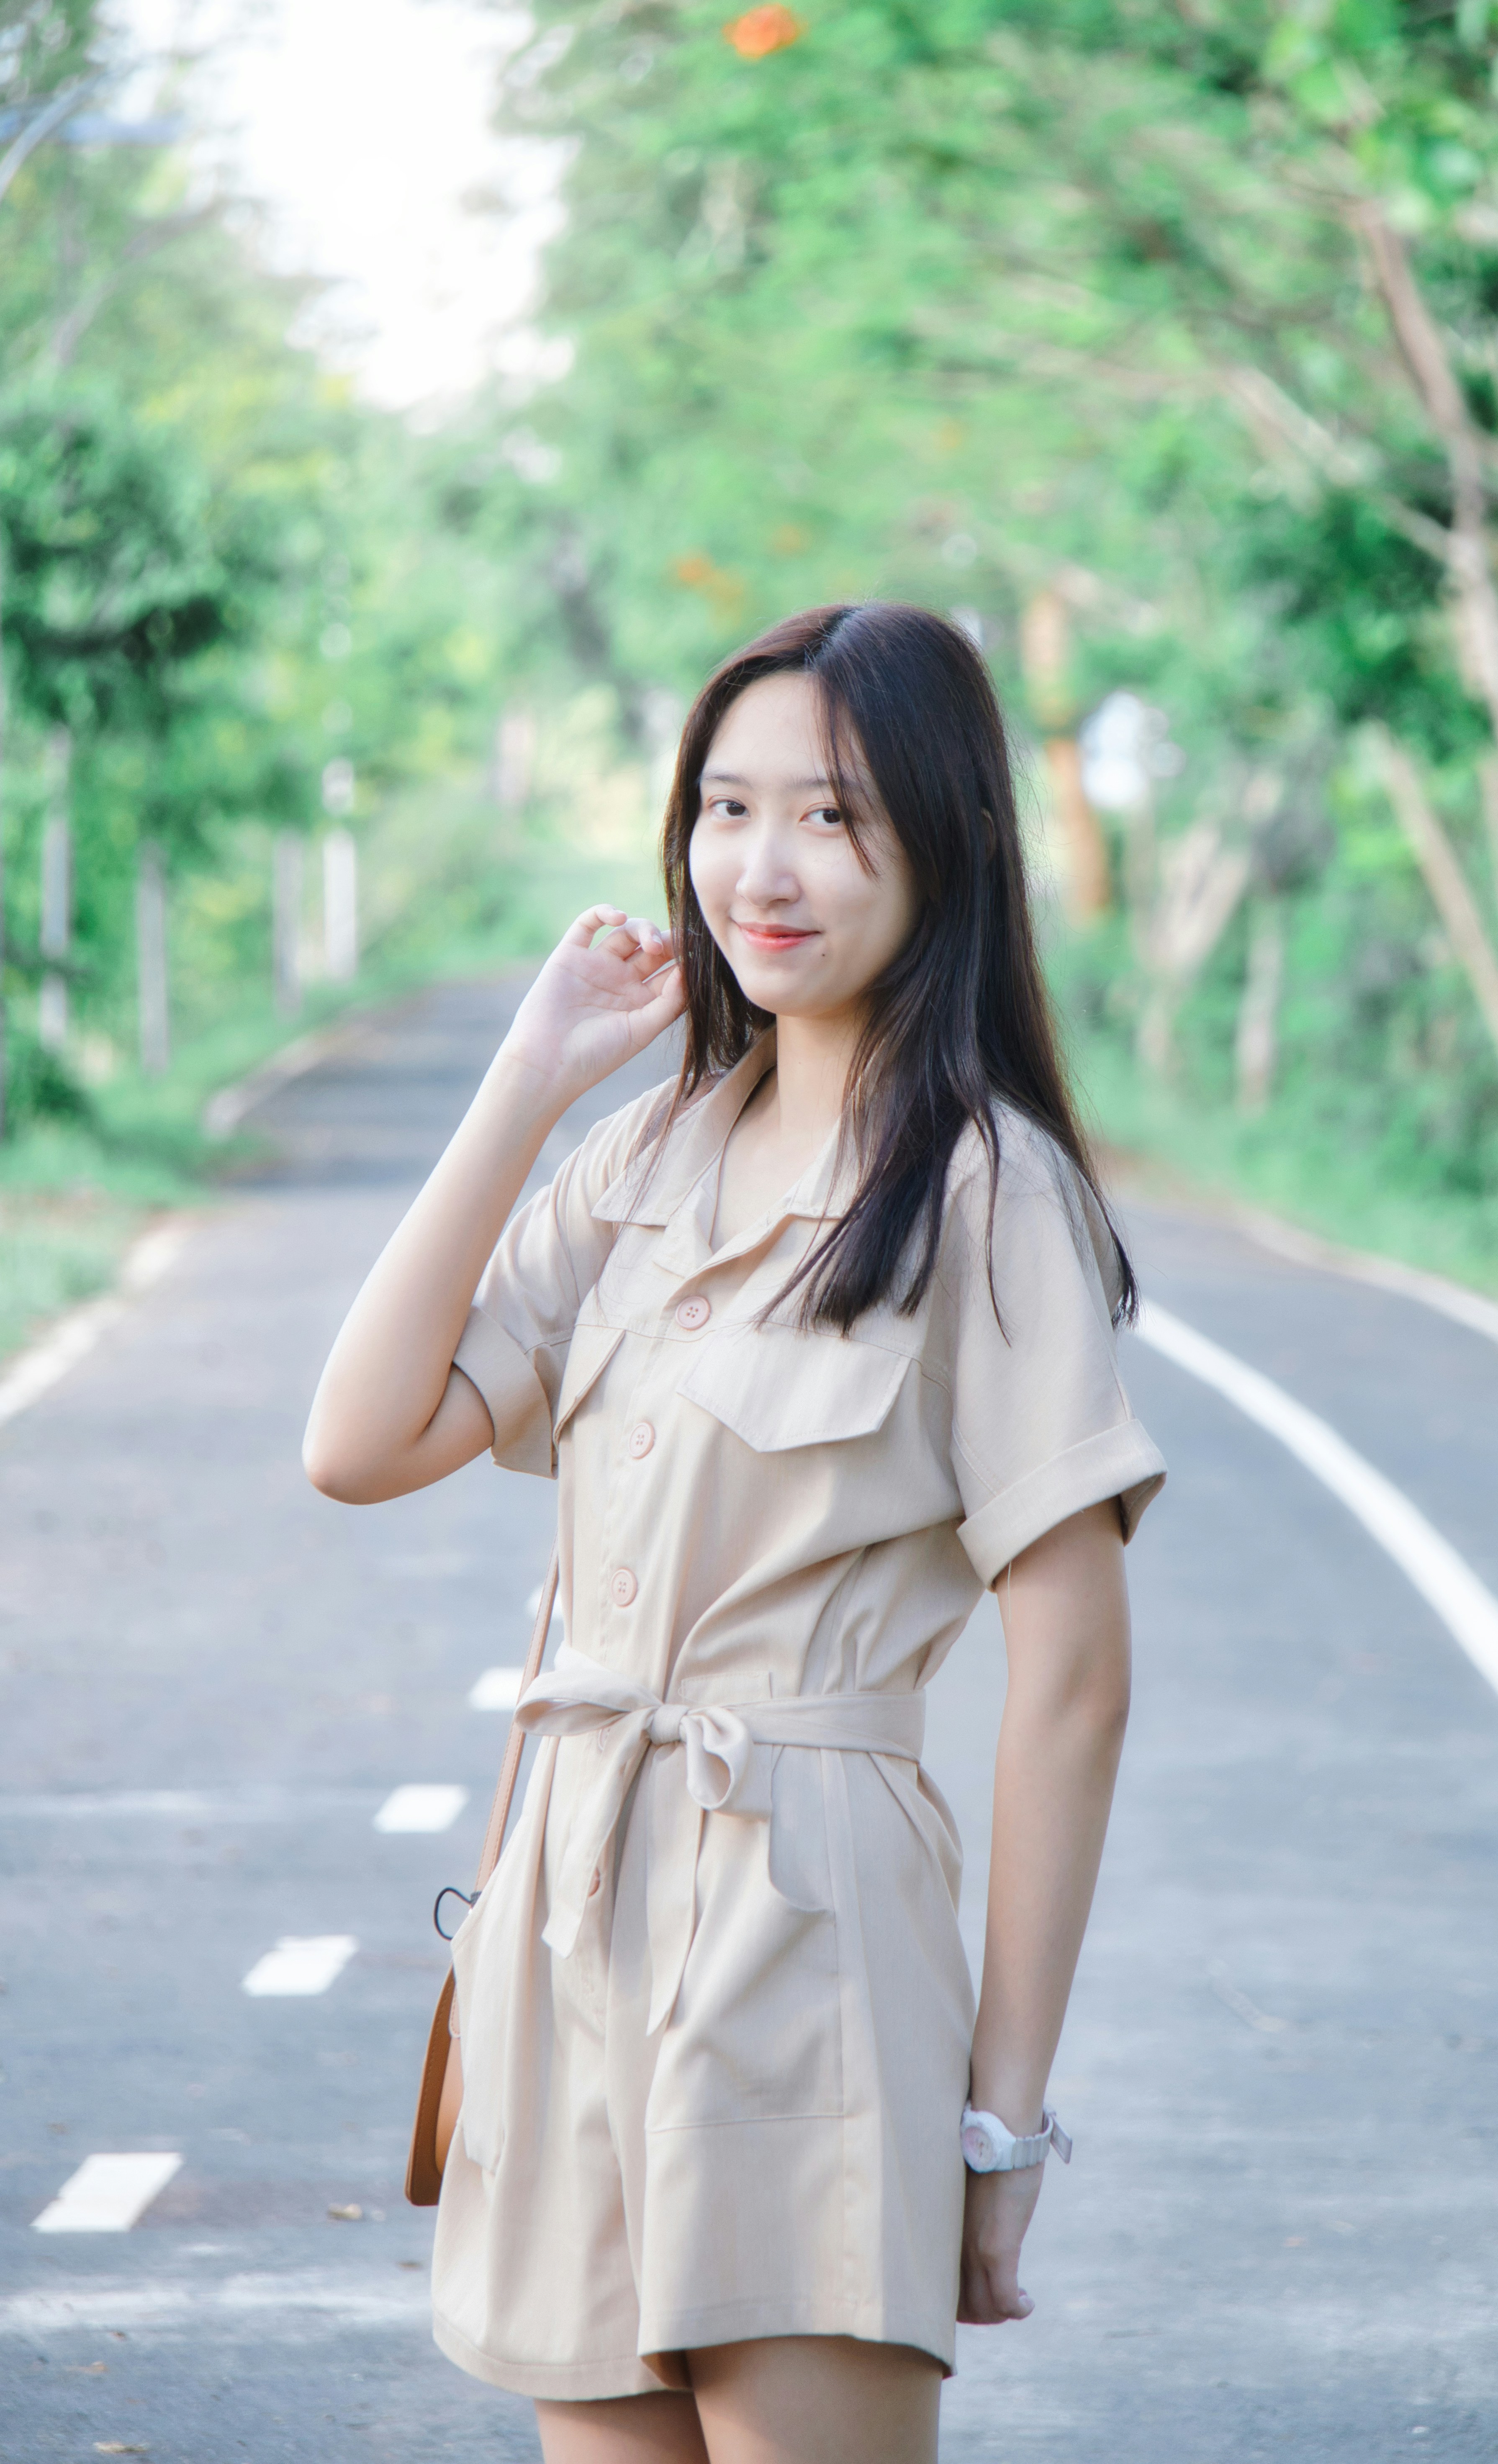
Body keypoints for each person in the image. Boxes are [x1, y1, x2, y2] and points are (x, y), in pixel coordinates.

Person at [304, 601, 1165, 2464]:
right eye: (724, 808)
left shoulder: (985, 1192)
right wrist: (529, 1074)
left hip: (808, 1937)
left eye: (833, 817)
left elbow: (1074, 1681)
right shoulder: (646, 1156)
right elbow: (359, 1439)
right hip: (568, 1917)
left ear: (943, 844)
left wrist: (1001, 2121)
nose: (759, 869)